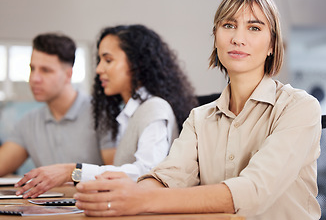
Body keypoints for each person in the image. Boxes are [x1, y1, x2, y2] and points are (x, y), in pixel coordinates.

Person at [74, 0, 322, 220]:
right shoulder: (200, 118)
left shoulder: (300, 107)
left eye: (254, 28)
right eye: (228, 25)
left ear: (271, 45)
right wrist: (131, 195)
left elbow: (254, 189)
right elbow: (168, 176)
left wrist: (143, 199)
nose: (238, 38)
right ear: (216, 37)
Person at [14, 24, 198, 199]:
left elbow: (148, 173)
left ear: (137, 65)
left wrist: (73, 171)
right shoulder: (131, 114)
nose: (99, 69)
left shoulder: (154, 108)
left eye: (108, 60)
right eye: (100, 60)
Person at [0, 33, 114, 178]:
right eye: (32, 69)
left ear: (68, 75)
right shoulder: (29, 122)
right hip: (46, 200)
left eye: (45, 70)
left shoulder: (102, 115)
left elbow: (115, 176)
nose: (34, 78)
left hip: (92, 200)